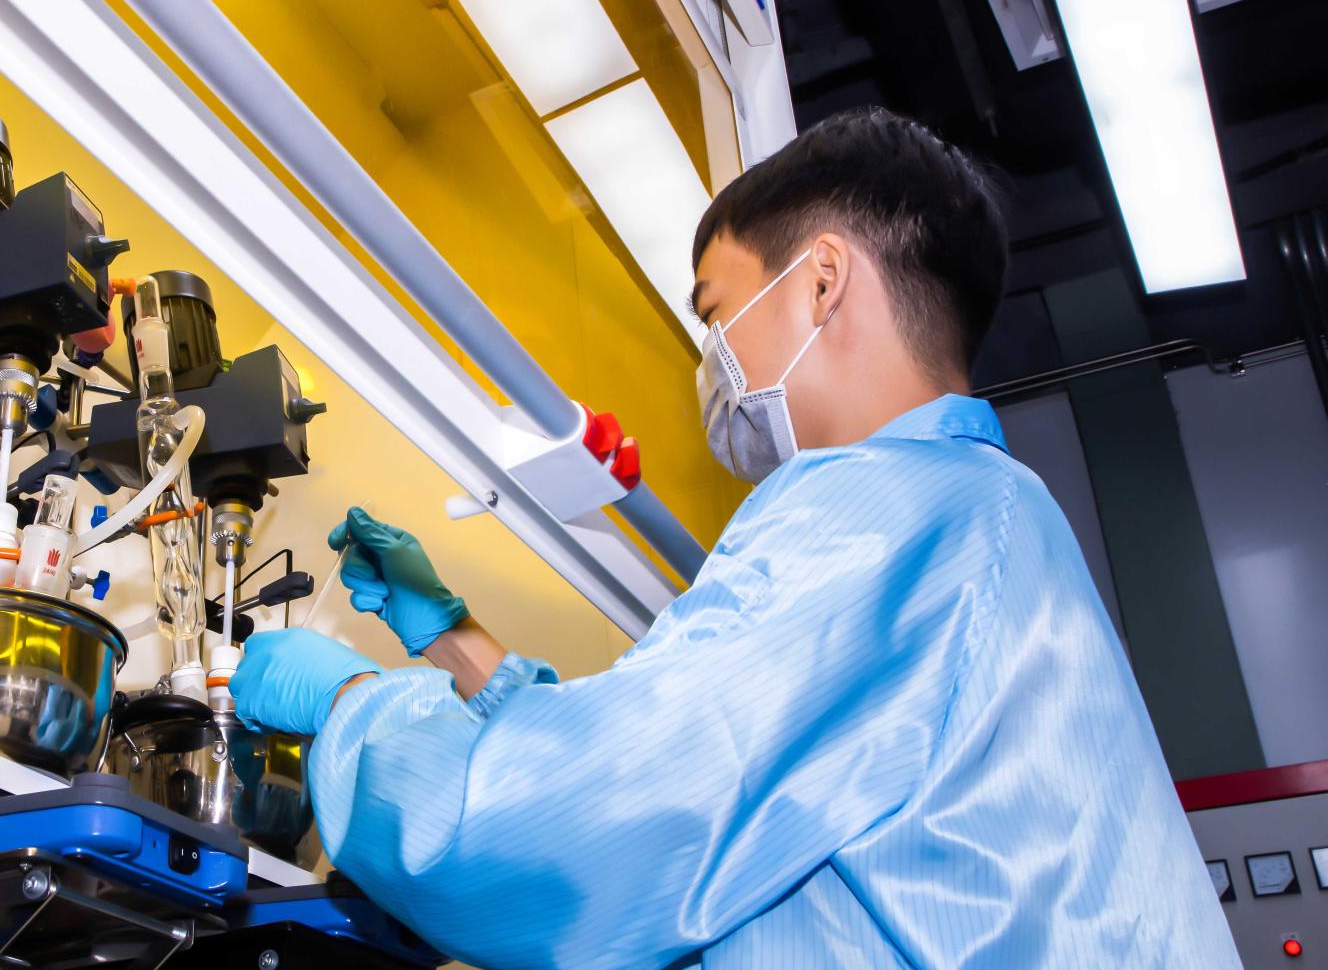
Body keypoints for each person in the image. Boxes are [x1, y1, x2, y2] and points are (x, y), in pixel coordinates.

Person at [228, 108, 1239, 969]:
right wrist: (453, 641)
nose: (711, 363)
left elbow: (567, 831)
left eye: (715, 316)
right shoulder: (986, 513)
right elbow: (692, 773)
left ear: (821, 281)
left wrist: (350, 705)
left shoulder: (874, 511)